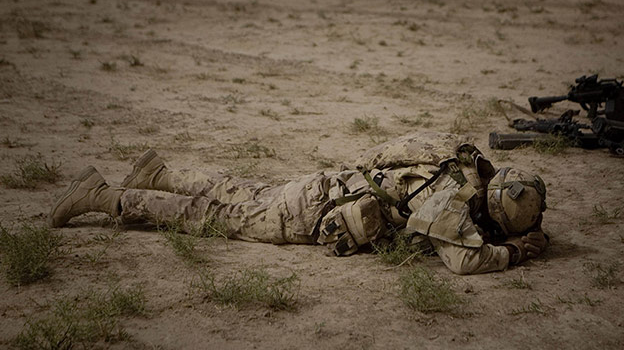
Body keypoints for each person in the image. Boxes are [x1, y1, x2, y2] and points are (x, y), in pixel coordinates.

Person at [48, 132, 548, 274]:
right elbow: (463, 261)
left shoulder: (452, 155)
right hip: (307, 216)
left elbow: (382, 151)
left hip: (324, 185)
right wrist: (518, 251)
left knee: (237, 191)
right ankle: (103, 196)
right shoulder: (453, 207)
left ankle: (158, 173)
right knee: (212, 218)